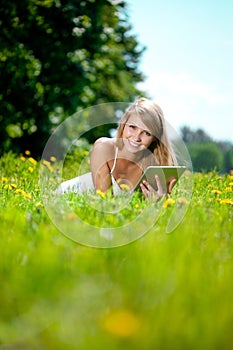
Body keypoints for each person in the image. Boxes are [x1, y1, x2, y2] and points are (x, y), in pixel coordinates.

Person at [56, 98, 177, 200]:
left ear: (155, 138)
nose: (136, 137)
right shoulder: (104, 148)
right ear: (123, 124)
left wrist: (159, 201)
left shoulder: (154, 166)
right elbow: (105, 202)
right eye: (133, 127)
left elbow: (142, 209)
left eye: (146, 133)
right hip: (65, 197)